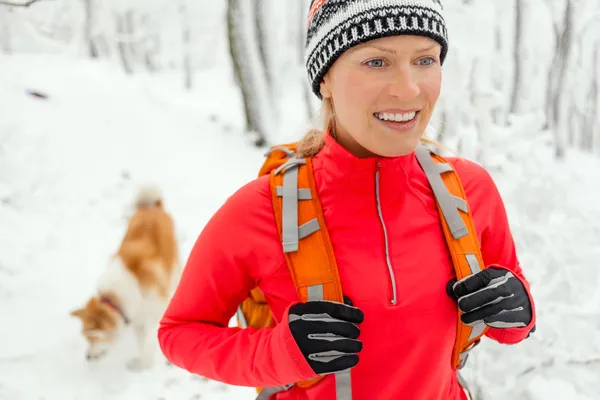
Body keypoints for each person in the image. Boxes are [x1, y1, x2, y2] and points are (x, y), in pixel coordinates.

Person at [158, 0, 537, 399]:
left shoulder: (469, 191)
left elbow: (509, 322)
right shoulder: (261, 209)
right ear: (325, 80)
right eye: (377, 62)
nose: (408, 89)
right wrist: (278, 352)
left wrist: (519, 312)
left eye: (425, 61)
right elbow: (179, 334)